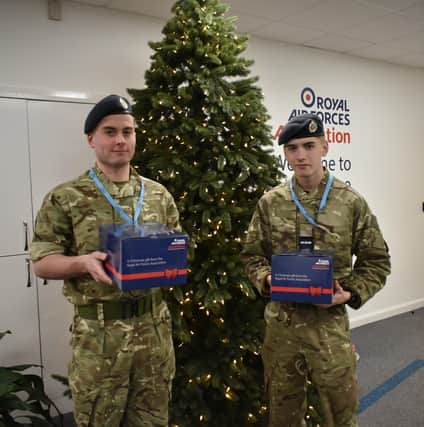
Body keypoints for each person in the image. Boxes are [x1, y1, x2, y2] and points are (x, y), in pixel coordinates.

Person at [30, 94, 180, 427]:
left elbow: (177, 249)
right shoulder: (66, 197)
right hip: (100, 339)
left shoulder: (158, 194)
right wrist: (82, 263)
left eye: (127, 132)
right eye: (110, 132)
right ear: (91, 139)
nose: (120, 140)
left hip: (154, 334)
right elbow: (41, 261)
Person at [241, 113, 391, 427]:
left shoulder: (350, 203)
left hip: (329, 327)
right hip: (282, 326)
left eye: (309, 145)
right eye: (292, 148)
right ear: (285, 153)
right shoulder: (271, 203)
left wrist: (348, 293)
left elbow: (376, 261)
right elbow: (252, 256)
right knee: (283, 415)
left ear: (324, 146)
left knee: (340, 414)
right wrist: (267, 279)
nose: (301, 155)